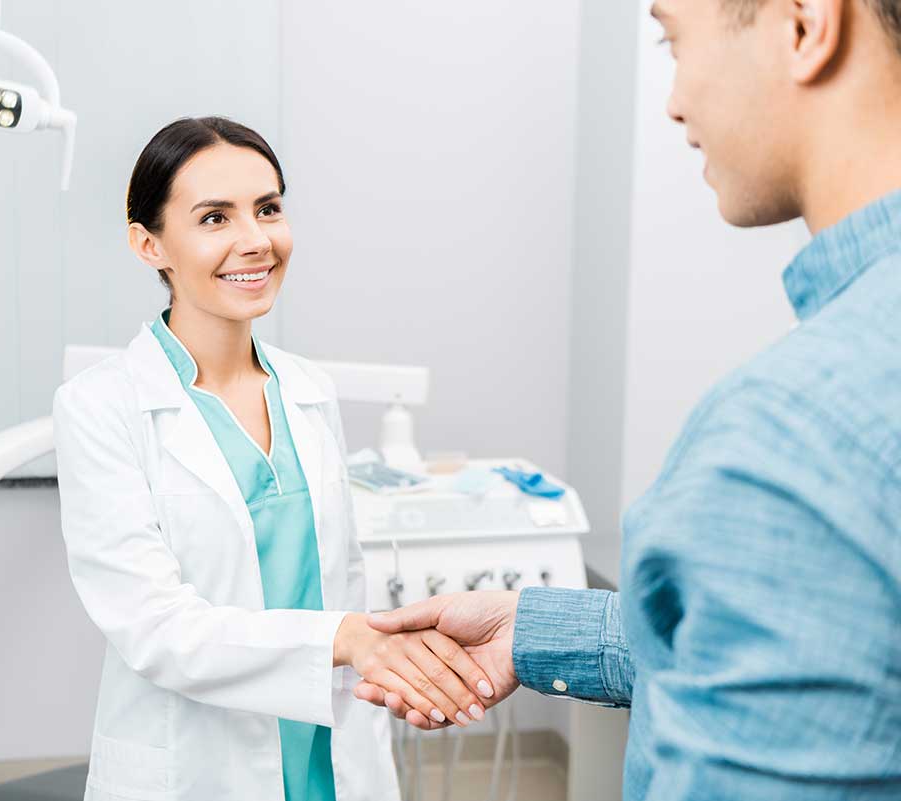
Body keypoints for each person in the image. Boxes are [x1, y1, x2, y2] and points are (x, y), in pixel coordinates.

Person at [357, 0, 901, 798]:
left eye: (675, 40)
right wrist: (532, 630)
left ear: (805, 24)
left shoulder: (788, 440)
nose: (676, 100)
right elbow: (837, 647)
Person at [53, 117, 495, 801]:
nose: (255, 240)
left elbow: (338, 582)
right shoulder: (99, 406)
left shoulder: (309, 391)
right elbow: (155, 627)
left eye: (268, 208)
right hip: (197, 762)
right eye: (213, 217)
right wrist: (347, 640)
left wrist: (394, 663)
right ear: (149, 244)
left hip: (327, 744)